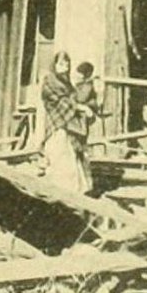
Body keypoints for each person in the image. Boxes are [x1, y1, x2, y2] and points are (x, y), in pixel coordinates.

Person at [39, 51, 94, 194]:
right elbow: (59, 102)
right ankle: (60, 193)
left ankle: (73, 194)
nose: (64, 68)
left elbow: (75, 98)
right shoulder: (49, 82)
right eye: (61, 64)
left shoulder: (67, 83)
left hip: (68, 126)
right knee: (61, 161)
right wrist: (81, 107)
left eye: (66, 65)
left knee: (72, 161)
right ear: (55, 65)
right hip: (56, 126)